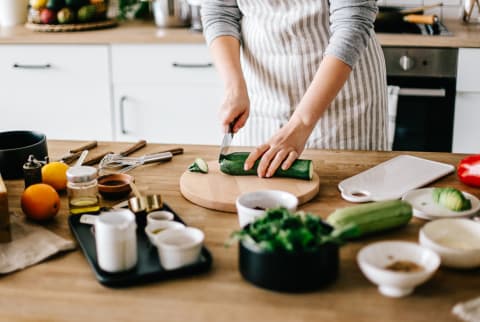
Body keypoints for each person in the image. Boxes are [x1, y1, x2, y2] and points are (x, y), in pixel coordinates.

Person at [201, 0, 387, 178]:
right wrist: (234, 88)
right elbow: (219, 13)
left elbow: (352, 22)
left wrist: (301, 124)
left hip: (343, 99)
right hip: (261, 95)